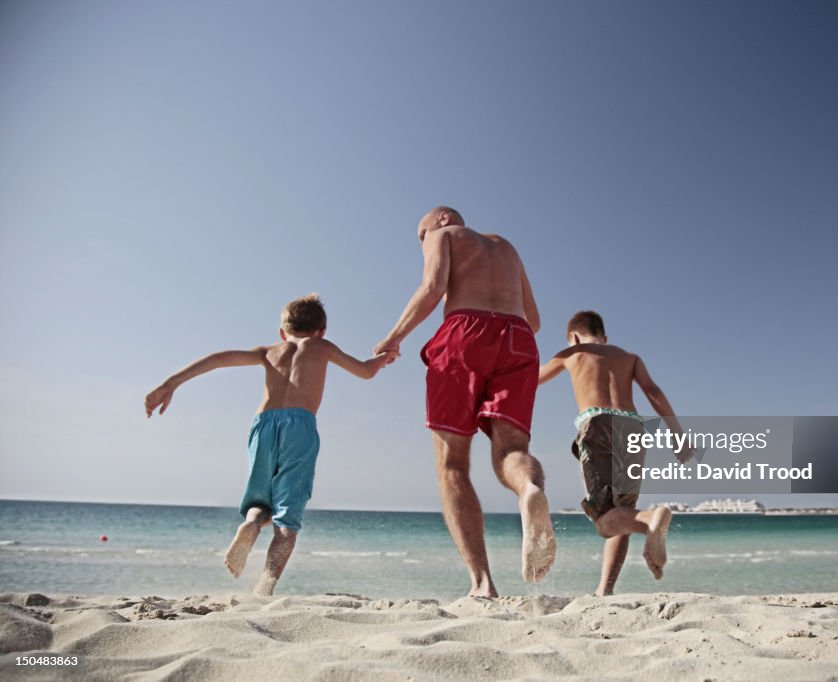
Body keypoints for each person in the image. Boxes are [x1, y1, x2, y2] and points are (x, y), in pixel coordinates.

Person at [144, 294, 392, 595]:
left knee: (260, 500)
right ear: (322, 331)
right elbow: (365, 371)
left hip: (262, 424)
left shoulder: (269, 351)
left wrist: (170, 383)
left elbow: (220, 359)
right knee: (287, 518)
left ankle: (250, 524)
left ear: (282, 331)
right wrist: (383, 359)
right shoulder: (320, 347)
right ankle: (264, 588)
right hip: (299, 426)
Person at [374, 206, 555, 597]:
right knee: (511, 450)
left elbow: (433, 287)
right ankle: (528, 490)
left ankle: (482, 582)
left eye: (421, 234)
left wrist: (394, 338)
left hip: (464, 334)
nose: (423, 242)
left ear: (441, 219)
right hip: (518, 338)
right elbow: (535, 320)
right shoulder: (507, 247)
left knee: (452, 462)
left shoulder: (445, 236)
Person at [538, 310, 692, 596]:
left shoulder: (573, 352)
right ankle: (604, 591)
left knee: (604, 521)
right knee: (621, 510)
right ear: (605, 337)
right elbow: (653, 391)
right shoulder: (630, 357)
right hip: (633, 427)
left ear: (573, 337)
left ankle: (650, 519)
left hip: (597, 424)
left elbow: (533, 379)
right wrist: (677, 435)